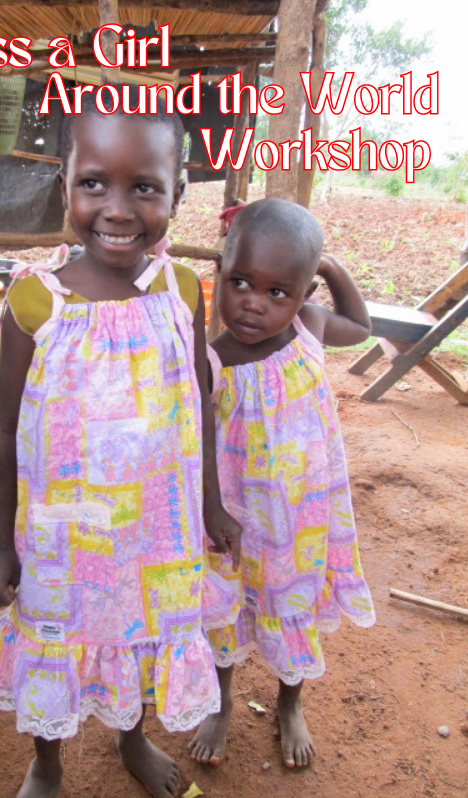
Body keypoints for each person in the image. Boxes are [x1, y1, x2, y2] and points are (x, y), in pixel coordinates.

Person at [0, 85, 241, 798]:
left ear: (177, 194)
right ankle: (48, 760)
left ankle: (131, 736)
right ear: (65, 183)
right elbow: (4, 431)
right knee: (56, 636)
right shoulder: (35, 298)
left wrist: (211, 503)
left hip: (159, 529)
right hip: (63, 535)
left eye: (144, 188)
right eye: (94, 183)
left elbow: (198, 405)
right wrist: (2, 546)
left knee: (144, 635)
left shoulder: (180, 288)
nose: (118, 210)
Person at [189, 198, 376, 771]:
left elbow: (362, 327)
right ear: (218, 272)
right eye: (241, 281)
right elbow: (194, 446)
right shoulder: (210, 361)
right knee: (227, 607)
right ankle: (220, 702)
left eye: (278, 291)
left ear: (303, 295)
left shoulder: (310, 326)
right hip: (237, 519)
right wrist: (213, 509)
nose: (254, 303)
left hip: (302, 516)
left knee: (291, 604)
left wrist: (332, 267)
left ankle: (290, 702)